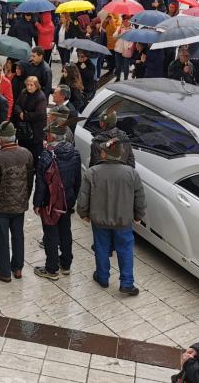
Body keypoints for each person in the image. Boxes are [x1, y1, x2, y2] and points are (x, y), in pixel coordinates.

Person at [78, 136, 145, 294]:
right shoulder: (131, 173)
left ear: (104, 154)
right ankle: (127, 283)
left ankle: (102, 278)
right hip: (123, 222)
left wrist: (83, 213)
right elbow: (139, 197)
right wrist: (138, 215)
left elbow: (83, 197)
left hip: (99, 221)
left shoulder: (91, 173)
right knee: (125, 250)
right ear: (121, 154)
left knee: (101, 248)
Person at [0, 121, 34, 282]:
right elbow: (29, 180)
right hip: (19, 205)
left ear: (2, 139)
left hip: (1, 207)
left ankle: (4, 272)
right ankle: (17, 268)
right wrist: (24, 199)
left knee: (1, 238)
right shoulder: (26, 154)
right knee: (18, 236)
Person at [32, 120, 82, 280]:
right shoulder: (75, 153)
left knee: (50, 234)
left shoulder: (46, 156)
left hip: (50, 202)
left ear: (52, 136)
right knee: (65, 231)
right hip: (67, 200)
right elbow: (77, 180)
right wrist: (72, 198)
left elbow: (40, 184)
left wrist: (37, 203)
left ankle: (51, 269)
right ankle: (66, 264)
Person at [14, 75, 48, 163]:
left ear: (36, 86)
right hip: (23, 128)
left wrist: (24, 116)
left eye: (31, 85)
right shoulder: (24, 92)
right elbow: (17, 105)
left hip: (35, 130)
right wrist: (20, 113)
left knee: (35, 155)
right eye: (27, 84)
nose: (28, 87)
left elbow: (39, 114)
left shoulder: (41, 96)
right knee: (22, 151)